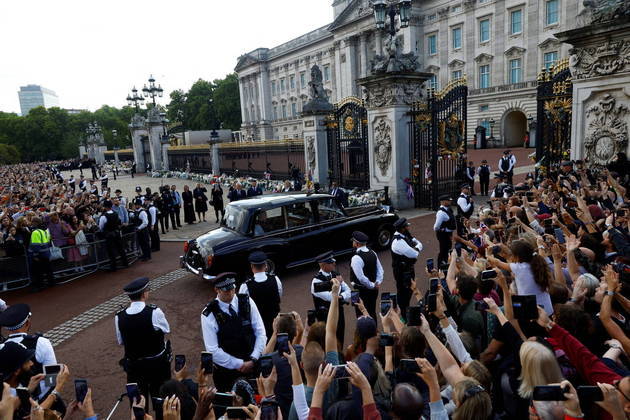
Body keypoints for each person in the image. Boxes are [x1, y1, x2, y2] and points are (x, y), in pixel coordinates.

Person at [200, 272, 266, 392]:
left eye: (232, 288)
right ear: (217, 290)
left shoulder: (247, 301)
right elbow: (212, 350)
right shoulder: (209, 314)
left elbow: (260, 332)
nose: (230, 293)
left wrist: (254, 358)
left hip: (253, 364)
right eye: (226, 290)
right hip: (228, 372)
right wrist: (239, 364)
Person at [115, 277, 171, 410]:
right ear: (144, 294)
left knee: (138, 406)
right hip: (157, 367)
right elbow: (166, 329)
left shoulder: (119, 316)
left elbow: (120, 341)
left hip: (134, 369)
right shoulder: (154, 312)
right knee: (162, 403)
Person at [0, 304, 57, 399]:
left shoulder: (3, 348)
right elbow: (52, 378)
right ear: (27, 323)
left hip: (13, 404)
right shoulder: (41, 342)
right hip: (42, 401)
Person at [238, 251, 283, 339]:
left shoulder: (245, 286)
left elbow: (243, 307)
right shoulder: (275, 279)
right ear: (265, 265)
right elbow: (279, 297)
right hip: (276, 322)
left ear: (252, 266)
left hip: (257, 326)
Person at [311, 250, 351, 345]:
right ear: (323, 265)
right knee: (328, 342)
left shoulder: (335, 274)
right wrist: (341, 291)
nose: (334, 263)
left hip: (339, 313)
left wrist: (342, 295)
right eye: (331, 262)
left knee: (340, 338)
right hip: (326, 317)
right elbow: (331, 297)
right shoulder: (316, 282)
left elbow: (348, 291)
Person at [391, 218, 422, 320]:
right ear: (403, 228)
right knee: (403, 293)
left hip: (408, 270)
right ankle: (404, 316)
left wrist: (417, 246)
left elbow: (418, 243)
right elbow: (415, 254)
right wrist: (417, 248)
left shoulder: (405, 235)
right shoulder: (398, 241)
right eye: (406, 226)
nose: (408, 227)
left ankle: (405, 310)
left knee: (409, 291)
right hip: (402, 272)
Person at [349, 231, 383, 320]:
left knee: (360, 313)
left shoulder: (356, 257)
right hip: (374, 289)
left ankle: (363, 332)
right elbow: (380, 270)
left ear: (356, 243)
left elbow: (361, 278)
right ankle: (374, 330)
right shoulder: (373, 253)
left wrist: (372, 286)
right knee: (372, 311)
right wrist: (377, 282)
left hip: (359, 290)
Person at [98, 200, 128, 271]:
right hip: (117, 234)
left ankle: (113, 266)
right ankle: (125, 263)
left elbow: (101, 227)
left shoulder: (104, 216)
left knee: (111, 251)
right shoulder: (116, 214)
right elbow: (119, 222)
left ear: (105, 207)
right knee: (120, 249)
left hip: (109, 235)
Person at [27, 217, 54, 292]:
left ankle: (40, 286)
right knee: (48, 269)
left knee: (38, 271)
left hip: (39, 254)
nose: (31, 223)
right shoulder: (45, 231)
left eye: (32, 222)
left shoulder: (35, 232)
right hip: (46, 253)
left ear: (35, 222)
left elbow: (35, 245)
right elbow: (48, 242)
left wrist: (35, 255)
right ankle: (51, 283)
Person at [433, 194, 456, 267]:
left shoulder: (448, 209)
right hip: (443, 234)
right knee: (443, 249)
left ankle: (446, 261)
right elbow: (436, 227)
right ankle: (440, 265)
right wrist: (444, 229)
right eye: (448, 201)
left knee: (448, 248)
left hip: (448, 233)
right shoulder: (441, 213)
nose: (450, 202)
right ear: (442, 202)